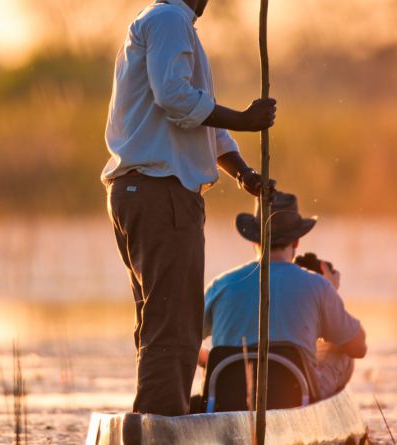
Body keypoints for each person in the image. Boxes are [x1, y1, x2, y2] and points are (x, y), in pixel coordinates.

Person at [102, 0, 277, 416]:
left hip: (144, 192)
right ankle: (161, 426)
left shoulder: (168, 24)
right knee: (175, 324)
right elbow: (176, 99)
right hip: (160, 193)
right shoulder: (168, 19)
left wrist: (243, 173)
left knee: (160, 320)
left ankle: (154, 420)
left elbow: (198, 117)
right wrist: (245, 119)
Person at [200, 192, 367, 398]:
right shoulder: (318, 286)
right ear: (296, 242)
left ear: (254, 240)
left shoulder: (220, 285)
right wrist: (330, 290)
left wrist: (212, 362)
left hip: (227, 398)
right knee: (340, 351)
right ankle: (318, 410)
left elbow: (181, 342)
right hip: (294, 397)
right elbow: (358, 347)